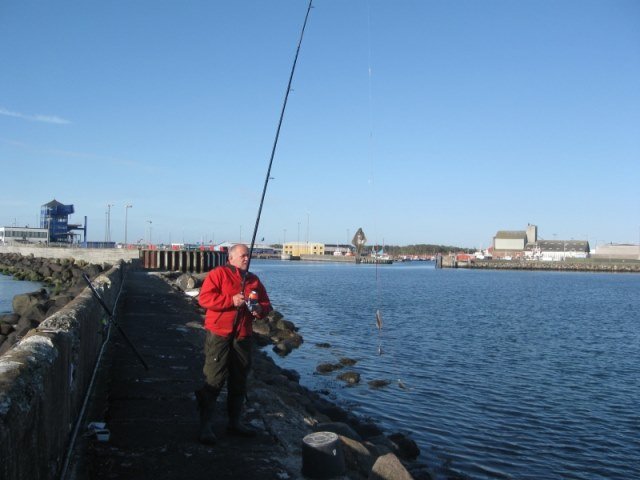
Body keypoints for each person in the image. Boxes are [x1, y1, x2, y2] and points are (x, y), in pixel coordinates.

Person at [195, 243, 272, 445]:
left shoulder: (253, 280)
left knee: (239, 380)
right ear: (231, 258)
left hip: (243, 336)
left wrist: (259, 311)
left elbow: (266, 304)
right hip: (219, 334)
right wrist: (231, 300)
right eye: (243, 256)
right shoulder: (218, 274)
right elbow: (204, 299)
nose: (246, 259)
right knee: (214, 378)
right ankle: (205, 426)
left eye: (248, 256)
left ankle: (235, 423)